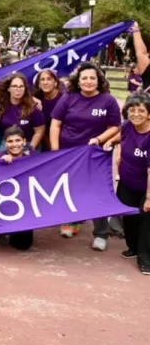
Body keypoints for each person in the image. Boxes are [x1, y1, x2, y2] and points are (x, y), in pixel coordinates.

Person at [50, 62, 121, 246]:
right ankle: (71, 222)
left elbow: (114, 127)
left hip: (96, 153)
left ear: (99, 81)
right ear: (78, 81)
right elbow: (56, 124)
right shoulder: (68, 98)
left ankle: (101, 234)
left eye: (92, 78)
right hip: (70, 152)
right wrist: (56, 151)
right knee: (70, 187)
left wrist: (98, 139)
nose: (88, 81)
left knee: (98, 191)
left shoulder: (108, 100)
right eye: (84, 78)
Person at [103, 93, 150, 275]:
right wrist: (109, 141)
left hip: (146, 187)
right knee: (129, 218)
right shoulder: (128, 126)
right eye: (132, 110)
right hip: (127, 183)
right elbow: (120, 136)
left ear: (149, 114)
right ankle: (133, 248)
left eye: (141, 111)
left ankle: (146, 260)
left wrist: (149, 197)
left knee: (146, 223)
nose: (136, 114)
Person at [0, 126, 35, 250]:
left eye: (18, 140)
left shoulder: (33, 157)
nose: (14, 144)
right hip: (2, 202)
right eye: (10, 141)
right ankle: (0, 230)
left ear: (24, 142)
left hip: (24, 203)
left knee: (23, 245)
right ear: (5, 143)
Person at [0, 73, 45, 152]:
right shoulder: (1, 105)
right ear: (8, 89)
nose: (18, 89)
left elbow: (39, 132)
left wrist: (30, 149)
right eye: (14, 86)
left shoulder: (34, 108)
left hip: (28, 143)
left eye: (21, 86)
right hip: (8, 142)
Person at [34, 70, 64, 151]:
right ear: (39, 84)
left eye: (49, 79)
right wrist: (32, 98)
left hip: (64, 141)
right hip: (44, 142)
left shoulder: (64, 98)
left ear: (55, 83)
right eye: (42, 79)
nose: (45, 82)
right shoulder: (37, 100)